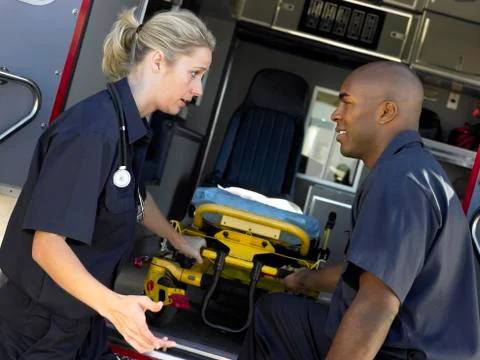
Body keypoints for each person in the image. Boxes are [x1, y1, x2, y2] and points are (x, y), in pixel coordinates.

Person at [0, 7, 215, 359]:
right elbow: (47, 246)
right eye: (194, 74)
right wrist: (116, 307)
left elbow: (133, 198)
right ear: (158, 61)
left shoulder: (129, 129)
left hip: (83, 318)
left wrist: (176, 239)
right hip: (37, 328)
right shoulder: (92, 132)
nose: (197, 89)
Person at [239, 61, 480, 360]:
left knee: (273, 317)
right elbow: (366, 271)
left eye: (346, 102)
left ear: (385, 112)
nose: (335, 114)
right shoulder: (412, 171)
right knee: (284, 312)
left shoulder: (401, 181)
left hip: (402, 353)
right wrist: (305, 280)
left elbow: (376, 305)